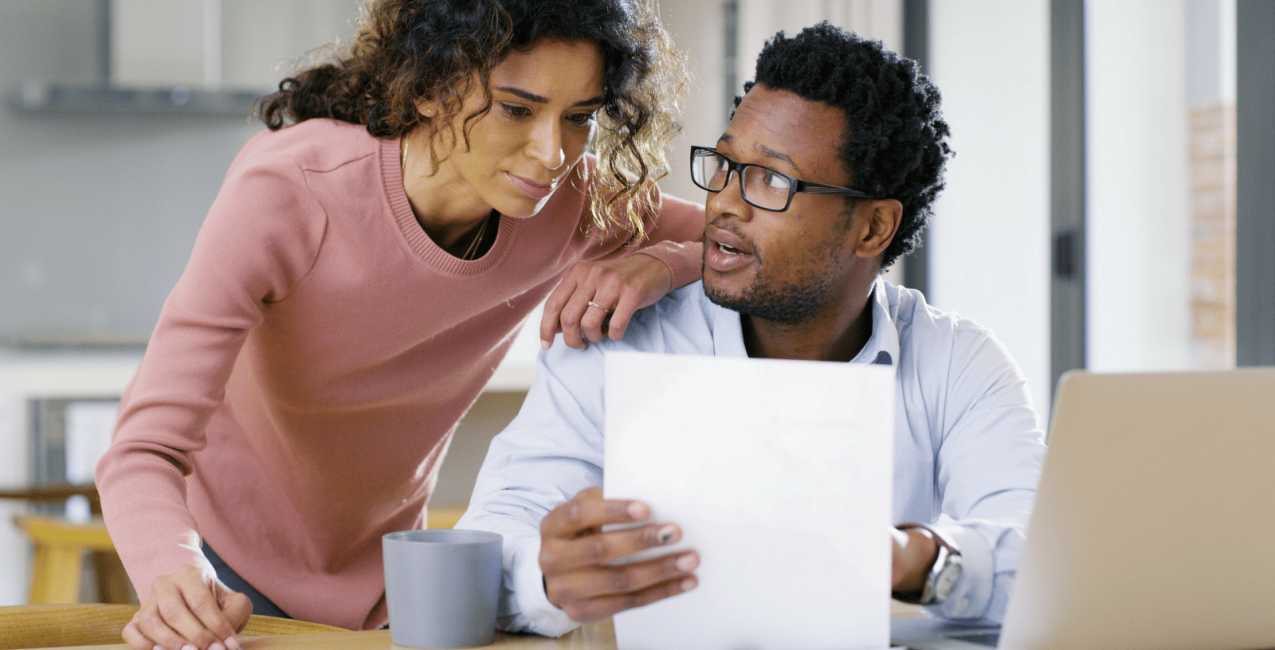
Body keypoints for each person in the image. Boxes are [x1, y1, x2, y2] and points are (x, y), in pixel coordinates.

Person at [94, 1, 705, 649]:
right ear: (430, 87)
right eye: (517, 109)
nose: (552, 152)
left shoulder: (577, 202)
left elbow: (751, 248)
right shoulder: (290, 188)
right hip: (221, 574)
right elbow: (143, 447)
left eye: (579, 118)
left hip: (397, 573)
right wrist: (171, 572)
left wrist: (661, 263)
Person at [456, 22, 1047, 636]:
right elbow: (485, 542)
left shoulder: (959, 361)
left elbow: (1042, 558)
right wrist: (547, 578)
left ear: (872, 229)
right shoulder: (620, 339)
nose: (723, 203)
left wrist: (912, 558)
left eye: (772, 180)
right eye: (726, 165)